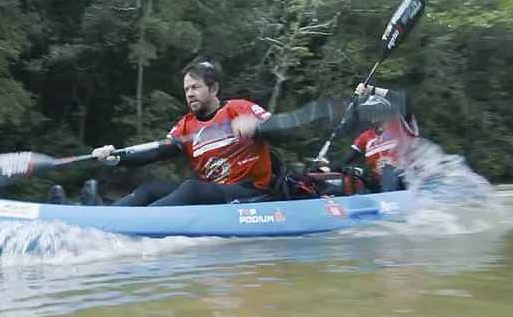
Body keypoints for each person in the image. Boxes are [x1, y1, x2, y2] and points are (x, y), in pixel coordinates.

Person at [51, 59, 275, 206]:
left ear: (213, 88)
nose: (190, 94)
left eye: (195, 87)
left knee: (192, 189)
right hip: (215, 195)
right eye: (186, 89)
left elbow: (287, 131)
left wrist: (258, 128)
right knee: (152, 188)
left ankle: (136, 221)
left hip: (250, 193)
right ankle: (101, 217)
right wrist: (115, 158)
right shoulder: (185, 125)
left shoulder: (240, 109)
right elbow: (155, 153)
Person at [319, 83, 419, 192]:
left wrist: (371, 89)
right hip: (381, 189)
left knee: (389, 171)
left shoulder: (401, 125)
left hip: (408, 183)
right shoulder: (365, 137)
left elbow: (403, 101)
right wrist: (326, 169)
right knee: (354, 175)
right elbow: (346, 160)